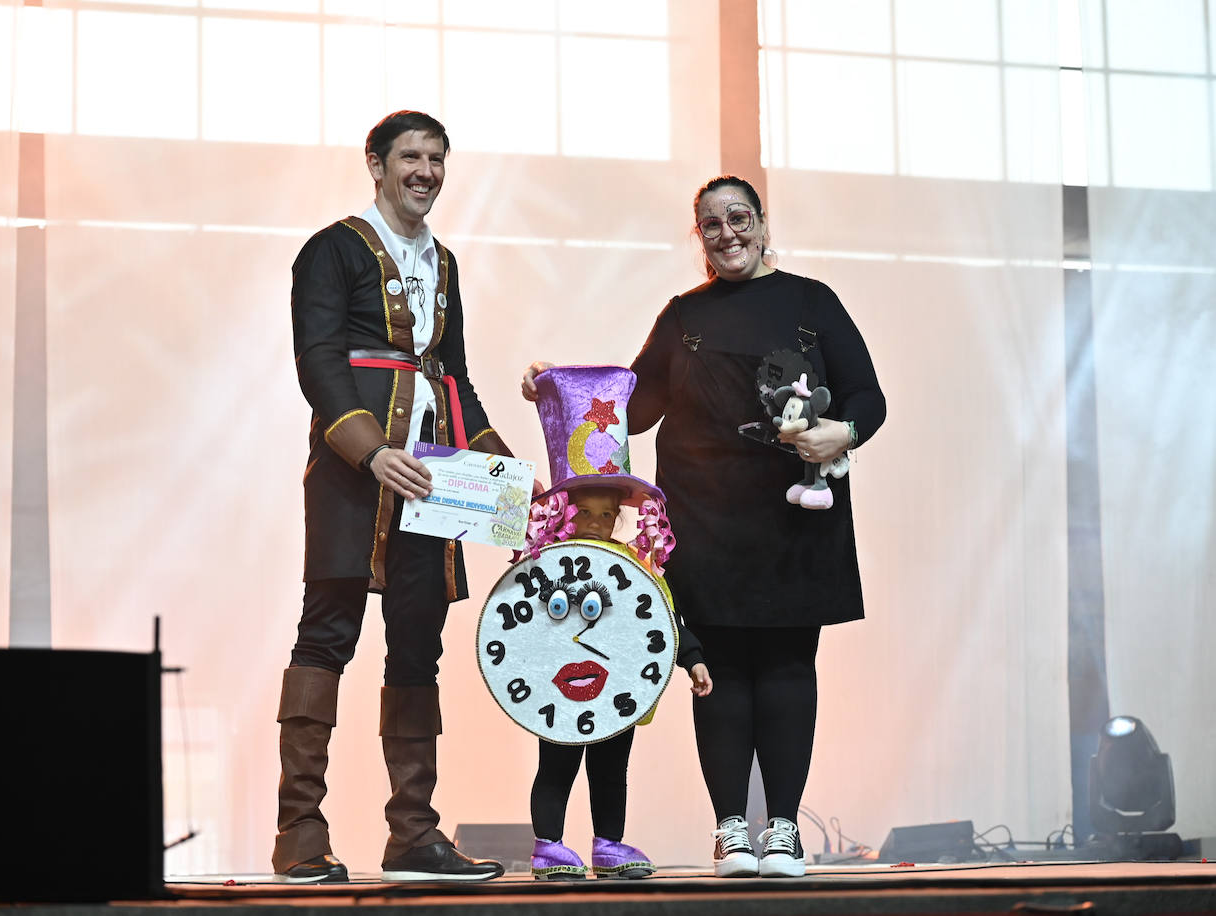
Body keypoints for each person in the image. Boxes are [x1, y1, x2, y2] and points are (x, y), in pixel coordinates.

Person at [521, 177, 885, 878]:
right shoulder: (684, 316)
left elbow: (869, 395)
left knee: (786, 668)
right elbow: (626, 408)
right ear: (700, 236)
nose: (727, 234)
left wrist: (843, 432)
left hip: (792, 518)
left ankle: (781, 830)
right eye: (710, 225)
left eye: (738, 218)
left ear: (761, 221)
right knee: (714, 673)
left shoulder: (812, 304)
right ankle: (731, 834)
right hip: (704, 519)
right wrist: (554, 383)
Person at [272, 110, 514, 884]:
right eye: (411, 156)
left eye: (437, 158)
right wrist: (370, 451)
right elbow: (318, 362)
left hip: (432, 486)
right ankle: (299, 834)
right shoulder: (332, 248)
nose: (426, 171)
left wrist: (505, 476)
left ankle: (413, 835)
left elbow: (456, 379)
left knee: (417, 650)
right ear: (375, 163)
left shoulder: (443, 263)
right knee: (327, 636)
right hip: (352, 478)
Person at [527, 485, 713, 881]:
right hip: (559, 694)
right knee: (556, 767)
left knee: (611, 770)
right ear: (565, 515)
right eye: (585, 514)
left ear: (618, 518)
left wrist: (693, 660)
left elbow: (663, 617)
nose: (596, 523)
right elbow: (519, 623)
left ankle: (608, 845)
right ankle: (548, 847)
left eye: (607, 515)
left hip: (616, 693)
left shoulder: (634, 565)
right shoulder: (547, 562)